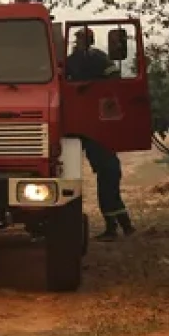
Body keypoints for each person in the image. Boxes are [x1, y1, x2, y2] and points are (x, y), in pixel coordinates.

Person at [65, 28, 137, 241]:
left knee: (107, 194)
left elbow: (113, 77)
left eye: (80, 39)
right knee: (111, 193)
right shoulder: (83, 59)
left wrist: (91, 88)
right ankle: (126, 227)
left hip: (101, 153)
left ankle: (114, 229)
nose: (77, 42)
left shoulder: (94, 58)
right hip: (101, 151)